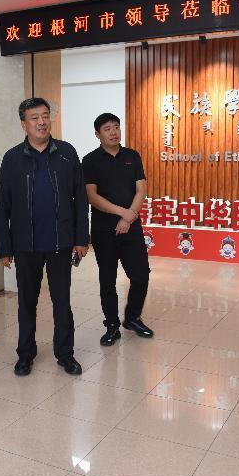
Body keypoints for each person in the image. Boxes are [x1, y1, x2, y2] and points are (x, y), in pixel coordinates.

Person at [0, 97, 89, 377]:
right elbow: (3, 205)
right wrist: (4, 247)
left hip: (61, 241)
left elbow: (80, 198)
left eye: (45, 115)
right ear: (23, 124)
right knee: (26, 303)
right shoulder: (12, 158)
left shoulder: (67, 152)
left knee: (62, 302)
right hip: (25, 244)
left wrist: (81, 238)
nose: (41, 122)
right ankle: (25, 354)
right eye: (34, 117)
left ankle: (65, 354)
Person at [82, 113, 154, 346]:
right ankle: (111, 326)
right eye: (107, 129)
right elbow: (92, 196)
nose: (113, 132)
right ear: (97, 134)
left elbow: (141, 189)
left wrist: (129, 217)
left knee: (141, 275)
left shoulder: (132, 156)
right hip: (104, 230)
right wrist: (123, 213)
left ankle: (132, 318)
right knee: (108, 280)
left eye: (116, 127)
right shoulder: (90, 160)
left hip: (131, 227)